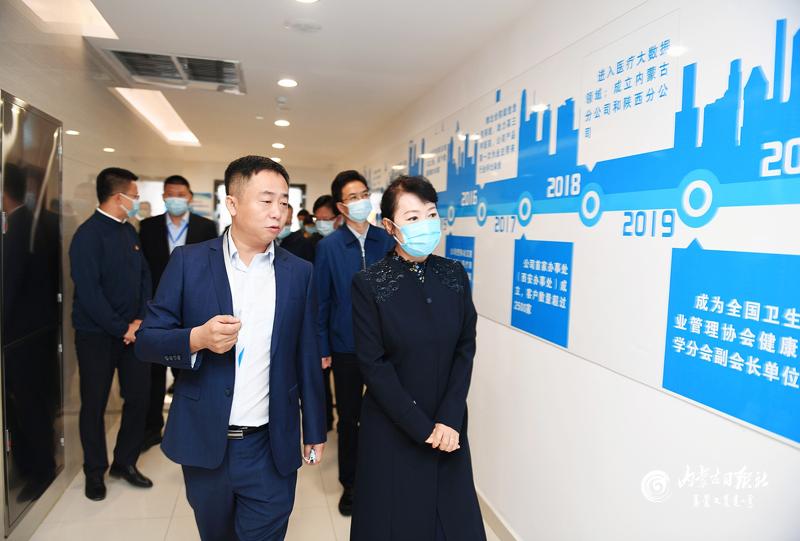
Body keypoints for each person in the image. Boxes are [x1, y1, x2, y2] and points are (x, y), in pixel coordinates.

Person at [135, 156, 326, 541]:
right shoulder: (188, 262)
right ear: (233, 204)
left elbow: (307, 354)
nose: (278, 212)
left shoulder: (299, 272)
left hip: (271, 444)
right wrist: (197, 339)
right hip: (206, 440)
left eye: (284, 202)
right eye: (266, 200)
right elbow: (148, 340)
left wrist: (315, 428)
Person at [350, 175, 485, 541]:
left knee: (454, 522)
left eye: (430, 214)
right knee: (395, 523)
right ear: (389, 226)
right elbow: (373, 365)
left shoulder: (454, 274)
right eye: (412, 218)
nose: (425, 224)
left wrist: (449, 418)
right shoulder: (369, 283)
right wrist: (423, 428)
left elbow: (465, 347)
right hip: (394, 428)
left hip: (448, 427)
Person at [69, 167, 154, 501]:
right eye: (134, 195)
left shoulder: (129, 231)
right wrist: (122, 328)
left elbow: (145, 277)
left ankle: (124, 462)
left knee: (139, 398)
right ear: (119, 197)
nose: (137, 201)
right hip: (97, 336)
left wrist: (140, 321)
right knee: (94, 404)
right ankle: (94, 472)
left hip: (133, 334)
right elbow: (90, 294)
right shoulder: (87, 236)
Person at [314, 170, 395, 516]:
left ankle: (383, 479)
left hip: (385, 346)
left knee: (387, 415)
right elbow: (321, 300)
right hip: (345, 346)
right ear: (341, 207)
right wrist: (322, 347)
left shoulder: (386, 240)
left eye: (364, 194)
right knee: (349, 418)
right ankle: (351, 484)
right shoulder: (328, 247)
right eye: (353, 197)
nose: (362, 201)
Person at [138, 175, 218, 451]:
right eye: (170, 194)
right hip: (158, 307)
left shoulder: (205, 227)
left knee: (188, 370)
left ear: (190, 196)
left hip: (192, 309)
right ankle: (152, 428)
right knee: (154, 372)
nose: (175, 199)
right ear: (163, 196)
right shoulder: (148, 227)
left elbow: (212, 269)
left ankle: (189, 426)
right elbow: (142, 271)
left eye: (181, 194)